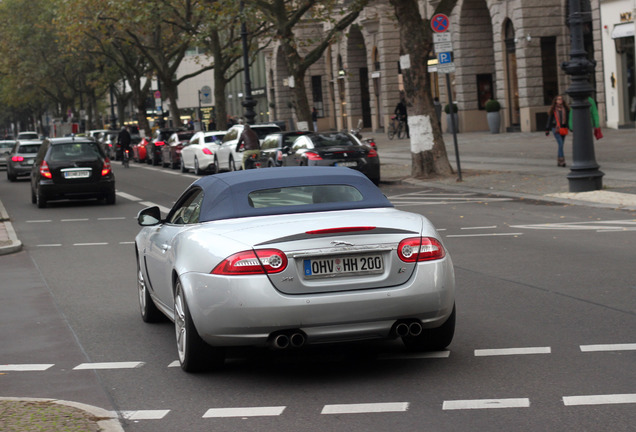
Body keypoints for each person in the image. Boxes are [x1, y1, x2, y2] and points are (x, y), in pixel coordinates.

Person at [545, 95, 570, 167]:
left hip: (564, 128)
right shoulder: (553, 110)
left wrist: (570, 127)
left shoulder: (566, 109)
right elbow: (549, 120)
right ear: (555, 101)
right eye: (558, 99)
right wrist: (547, 129)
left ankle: (559, 161)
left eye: (561, 99)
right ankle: (562, 161)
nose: (560, 100)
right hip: (555, 129)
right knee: (561, 144)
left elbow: (568, 119)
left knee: (561, 145)